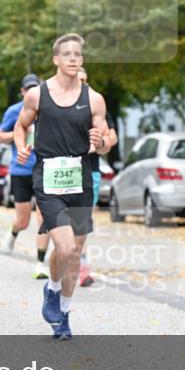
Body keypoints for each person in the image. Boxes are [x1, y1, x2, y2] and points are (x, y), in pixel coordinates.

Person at [13, 33, 111, 340]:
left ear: (81, 60)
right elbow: (21, 126)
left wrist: (102, 142)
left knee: (74, 251)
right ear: (56, 59)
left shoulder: (94, 99)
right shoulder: (37, 96)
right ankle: (53, 288)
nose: (72, 58)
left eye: (77, 54)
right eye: (66, 54)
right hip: (49, 179)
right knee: (66, 247)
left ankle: (63, 312)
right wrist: (21, 147)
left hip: (80, 179)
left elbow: (106, 140)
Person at [0, 74, 51, 276]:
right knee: (23, 220)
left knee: (43, 215)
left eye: (34, 88)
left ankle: (40, 262)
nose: (31, 92)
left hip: (44, 168)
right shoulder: (14, 111)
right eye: (27, 89)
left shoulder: (48, 108)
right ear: (22, 91)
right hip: (20, 170)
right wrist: (22, 132)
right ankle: (13, 232)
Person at [76, 67, 117, 287]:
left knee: (82, 221)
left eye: (84, 80)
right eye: (76, 80)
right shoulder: (55, 105)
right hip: (60, 172)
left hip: (89, 171)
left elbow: (112, 137)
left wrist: (101, 142)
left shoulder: (96, 106)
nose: (81, 84)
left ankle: (82, 267)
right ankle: (62, 257)